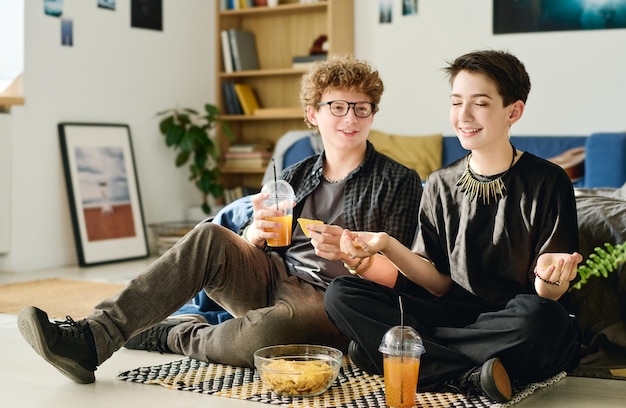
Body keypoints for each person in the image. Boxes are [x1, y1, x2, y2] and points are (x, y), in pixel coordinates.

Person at [17, 56, 423, 384]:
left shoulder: (399, 180)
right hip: (275, 277)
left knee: (268, 338)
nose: (350, 118)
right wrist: (253, 234)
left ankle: (172, 333)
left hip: (337, 301)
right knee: (210, 234)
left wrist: (354, 256)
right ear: (313, 114)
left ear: (372, 114)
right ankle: (92, 337)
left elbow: (399, 278)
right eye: (337, 106)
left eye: (361, 108)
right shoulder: (293, 175)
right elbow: (259, 247)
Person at [324, 50, 583, 403]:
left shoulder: (549, 181)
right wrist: (386, 244)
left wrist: (551, 282)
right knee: (343, 293)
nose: (463, 116)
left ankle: (405, 355)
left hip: (513, 322)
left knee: (543, 319)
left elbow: (547, 294)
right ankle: (469, 375)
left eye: (479, 103)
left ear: (514, 111)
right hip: (453, 317)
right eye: (456, 102)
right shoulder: (440, 184)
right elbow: (439, 285)